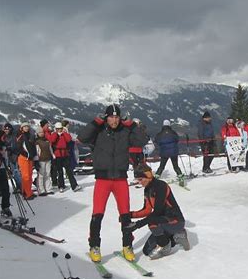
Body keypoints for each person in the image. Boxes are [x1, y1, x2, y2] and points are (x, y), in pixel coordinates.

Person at [77, 104, 149, 262]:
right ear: (106, 117)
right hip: (102, 179)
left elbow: (143, 140)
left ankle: (127, 245)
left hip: (120, 179)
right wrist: (96, 122)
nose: (114, 120)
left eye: (117, 117)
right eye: (111, 117)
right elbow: (81, 138)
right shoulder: (98, 131)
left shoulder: (125, 131)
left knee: (125, 215)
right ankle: (94, 246)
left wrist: (132, 124)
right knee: (97, 214)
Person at [123, 163, 190, 259]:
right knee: (147, 251)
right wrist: (129, 215)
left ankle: (167, 243)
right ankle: (176, 236)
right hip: (163, 222)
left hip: (175, 220)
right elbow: (146, 210)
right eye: (138, 180)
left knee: (152, 222)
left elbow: (157, 211)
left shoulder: (161, 186)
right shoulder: (147, 190)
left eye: (141, 179)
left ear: (149, 176)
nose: (139, 182)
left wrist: (137, 225)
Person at [49, 122, 81, 193]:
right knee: (60, 172)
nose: (59, 130)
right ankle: (61, 186)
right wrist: (56, 134)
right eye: (58, 129)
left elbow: (69, 139)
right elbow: (52, 140)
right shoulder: (54, 134)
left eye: (60, 129)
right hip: (57, 155)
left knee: (69, 171)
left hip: (65, 154)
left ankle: (74, 185)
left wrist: (64, 133)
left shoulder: (64, 134)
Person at [154, 120, 183, 184]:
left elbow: (156, 141)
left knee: (161, 166)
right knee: (176, 166)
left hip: (164, 152)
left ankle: (155, 178)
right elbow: (177, 139)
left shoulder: (160, 134)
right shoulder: (173, 132)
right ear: (169, 125)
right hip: (173, 152)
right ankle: (180, 177)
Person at [16, 122, 36, 200]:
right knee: (25, 176)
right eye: (25, 127)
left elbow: (32, 146)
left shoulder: (30, 135)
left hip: (30, 158)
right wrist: (27, 155)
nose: (26, 128)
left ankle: (29, 191)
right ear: (22, 128)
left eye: (27, 126)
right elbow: (19, 148)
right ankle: (26, 193)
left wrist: (33, 155)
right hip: (23, 158)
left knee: (30, 175)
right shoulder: (20, 136)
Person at [0, 123, 21, 191]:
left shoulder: (14, 135)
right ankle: (18, 186)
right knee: (13, 173)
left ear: (10, 129)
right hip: (9, 156)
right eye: (5, 129)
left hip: (16, 155)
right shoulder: (4, 137)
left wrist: (8, 148)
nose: (6, 131)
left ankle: (21, 187)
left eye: (7, 129)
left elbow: (15, 146)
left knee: (17, 172)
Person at [35, 127, 55, 196]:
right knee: (41, 175)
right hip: (41, 160)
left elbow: (50, 149)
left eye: (42, 132)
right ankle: (41, 190)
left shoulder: (47, 140)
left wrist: (53, 155)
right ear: (37, 134)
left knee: (47, 174)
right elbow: (37, 151)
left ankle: (48, 189)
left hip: (48, 159)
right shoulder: (37, 141)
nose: (41, 133)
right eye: (40, 132)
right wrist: (37, 160)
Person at [40, 119, 58, 188]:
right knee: (51, 167)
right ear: (44, 125)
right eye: (47, 124)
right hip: (48, 151)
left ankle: (53, 181)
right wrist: (55, 133)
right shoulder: (45, 132)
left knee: (50, 168)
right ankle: (54, 181)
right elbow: (51, 140)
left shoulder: (47, 131)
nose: (48, 125)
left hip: (49, 150)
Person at [0, 136, 12, 217]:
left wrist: (7, 167)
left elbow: (5, 157)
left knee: (6, 190)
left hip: (2, 169)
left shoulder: (3, 145)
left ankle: (5, 208)